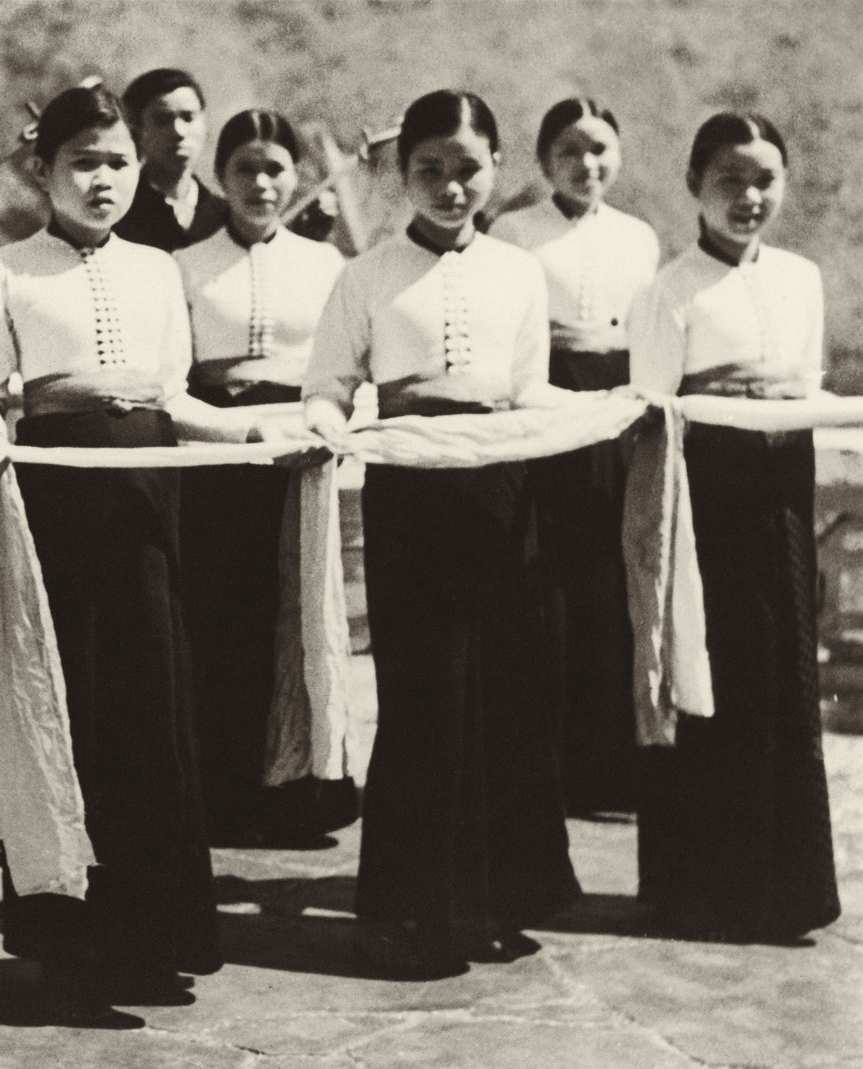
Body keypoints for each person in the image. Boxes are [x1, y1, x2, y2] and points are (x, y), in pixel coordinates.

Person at [0, 83, 296, 1016]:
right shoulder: (3, 269)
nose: (102, 179)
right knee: (71, 716)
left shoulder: (158, 268)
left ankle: (156, 938)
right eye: (82, 162)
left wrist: (253, 438)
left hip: (149, 508)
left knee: (151, 715)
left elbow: (179, 397)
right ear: (41, 169)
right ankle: (72, 947)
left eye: (116, 162)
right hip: (56, 512)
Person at [304, 89, 581, 980]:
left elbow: (532, 391)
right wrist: (325, 428)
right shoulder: (367, 274)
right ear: (400, 173)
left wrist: (615, 413)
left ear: (497, 167)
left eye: (468, 168)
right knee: (424, 701)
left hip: (502, 496)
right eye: (431, 169)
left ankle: (495, 905)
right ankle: (407, 912)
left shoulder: (518, 274)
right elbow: (328, 385)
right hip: (411, 500)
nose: (452, 186)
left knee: (504, 695)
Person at [627, 112, 839, 942]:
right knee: (712, 673)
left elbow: (809, 383)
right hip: (704, 501)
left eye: (764, 181)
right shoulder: (668, 289)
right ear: (694, 187)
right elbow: (651, 411)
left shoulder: (802, 278)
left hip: (784, 487)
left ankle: (785, 889)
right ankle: (702, 888)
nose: (749, 197)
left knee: (785, 669)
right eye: (729, 181)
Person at [173, 108, 354, 848]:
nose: (260, 183)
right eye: (244, 167)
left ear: (297, 178)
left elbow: (343, 368)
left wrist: (320, 430)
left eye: (275, 168)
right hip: (215, 456)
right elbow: (174, 379)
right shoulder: (184, 264)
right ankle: (223, 792)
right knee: (221, 621)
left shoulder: (326, 264)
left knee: (300, 615)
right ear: (220, 176)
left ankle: (301, 792)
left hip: (301, 454)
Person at [493, 99, 660, 814]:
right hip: (542, 402)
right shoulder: (512, 231)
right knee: (545, 579)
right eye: (570, 150)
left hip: (619, 409)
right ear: (543, 159)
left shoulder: (640, 237)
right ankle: (545, 765)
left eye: (599, 149)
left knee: (612, 577)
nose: (586, 165)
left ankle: (613, 770)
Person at [113, 68, 225, 252]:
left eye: (188, 118)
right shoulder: (120, 213)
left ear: (204, 124)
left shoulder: (225, 217)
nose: (179, 132)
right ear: (136, 131)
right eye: (162, 120)